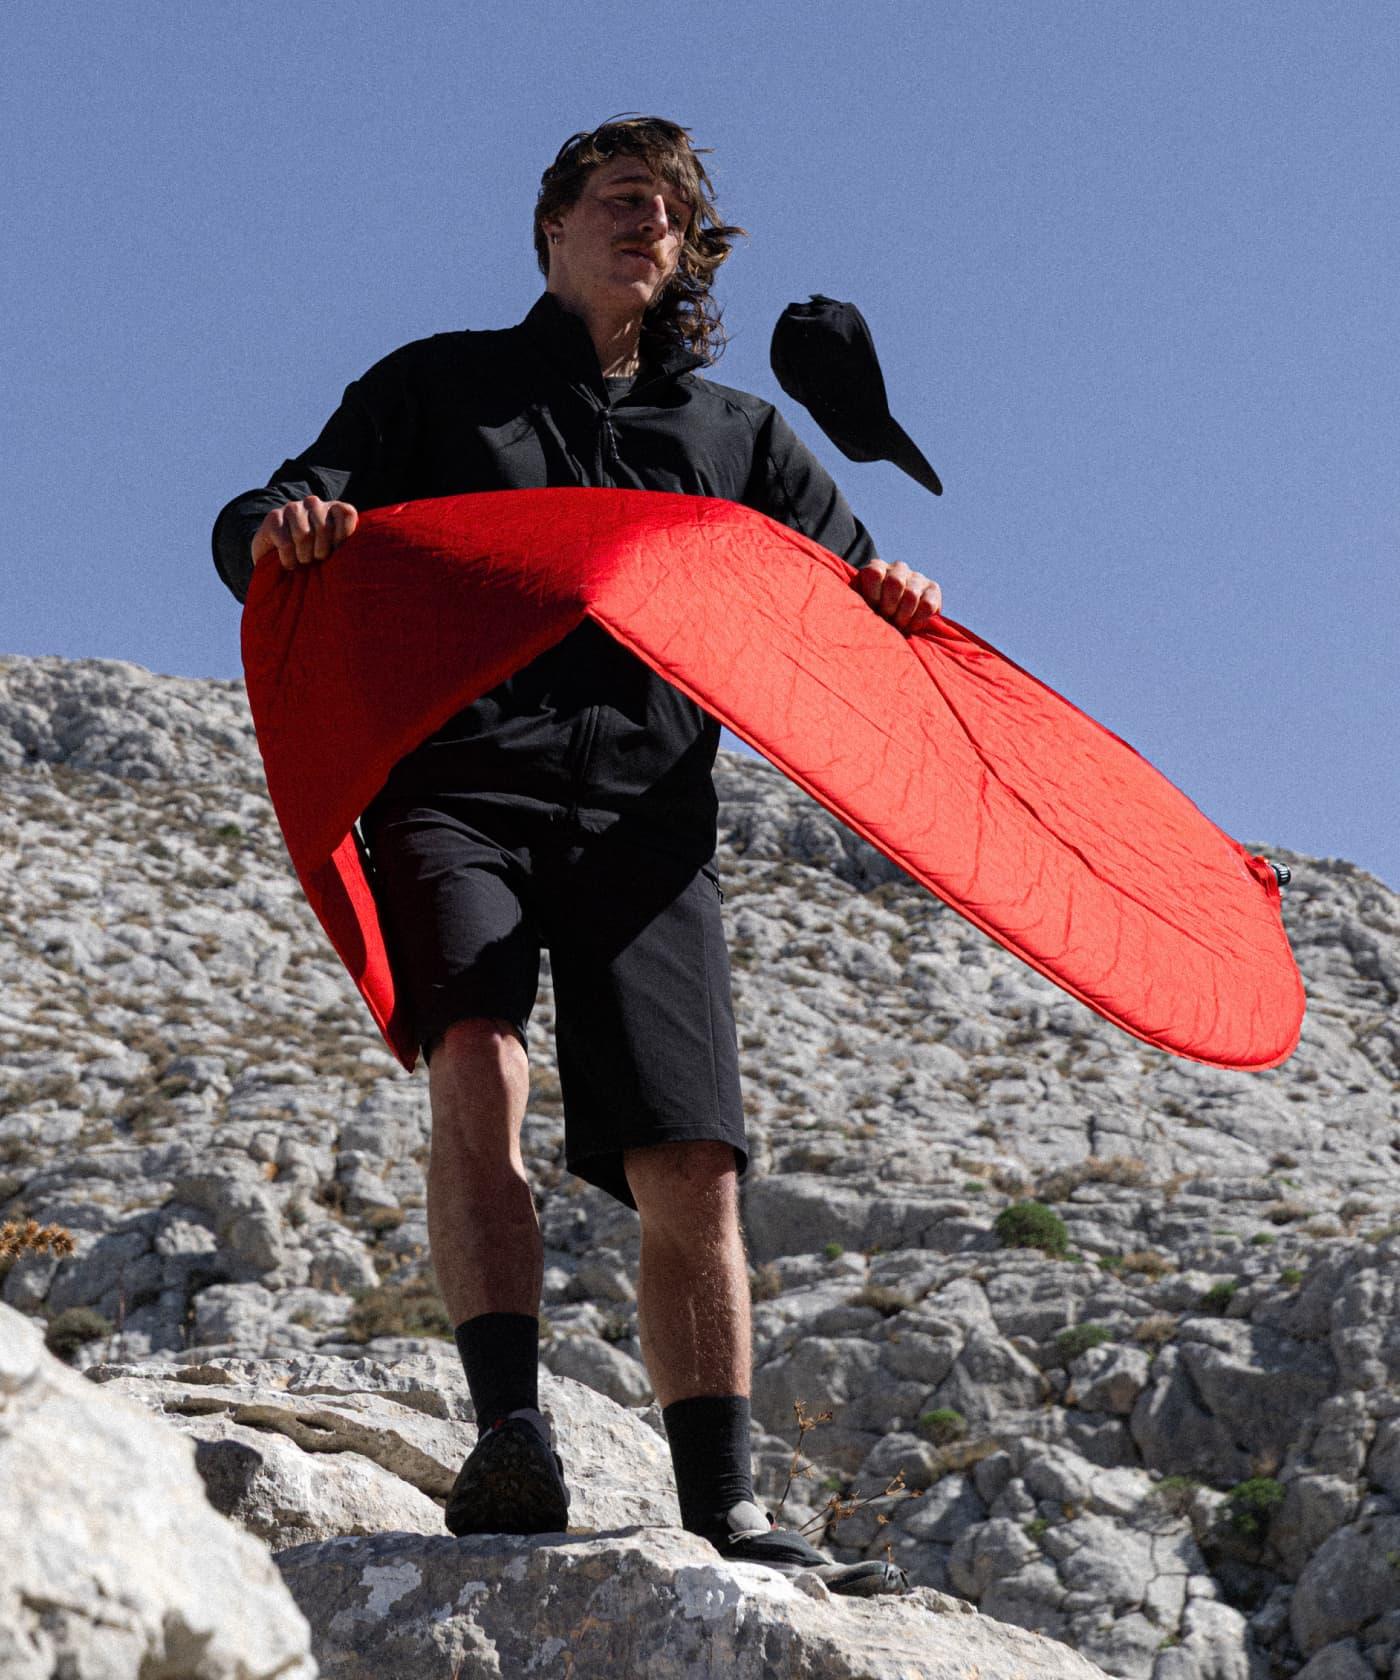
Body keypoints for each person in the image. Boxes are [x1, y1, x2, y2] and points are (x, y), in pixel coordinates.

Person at [213, 117, 941, 1596]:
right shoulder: (436, 387)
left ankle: (725, 1503)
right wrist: (280, 528)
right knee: (474, 1057)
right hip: (456, 787)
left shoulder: (737, 438)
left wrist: (898, 592)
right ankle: (510, 1434)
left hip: (646, 820)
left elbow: (857, 601)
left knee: (694, 1166)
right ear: (549, 231)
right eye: (621, 200)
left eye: (671, 209)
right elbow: (263, 514)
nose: (649, 224)